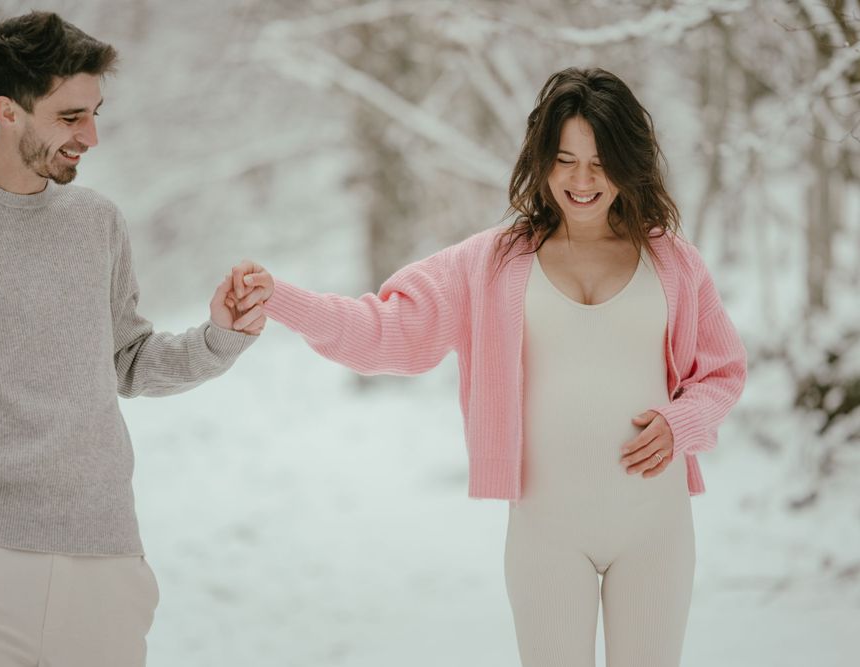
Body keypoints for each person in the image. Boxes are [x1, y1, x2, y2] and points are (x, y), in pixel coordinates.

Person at [224, 67, 747, 666]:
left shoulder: (674, 262)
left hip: (656, 528)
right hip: (548, 533)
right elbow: (382, 329)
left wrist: (681, 424)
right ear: (541, 160)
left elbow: (722, 373)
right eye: (564, 159)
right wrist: (282, 298)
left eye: (599, 163)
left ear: (629, 163)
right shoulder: (491, 264)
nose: (580, 180)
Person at [0, 11, 263, 667]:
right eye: (72, 116)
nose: (92, 136)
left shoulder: (99, 223)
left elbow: (127, 361)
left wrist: (220, 334)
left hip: (105, 566)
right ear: (7, 111)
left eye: (96, 113)